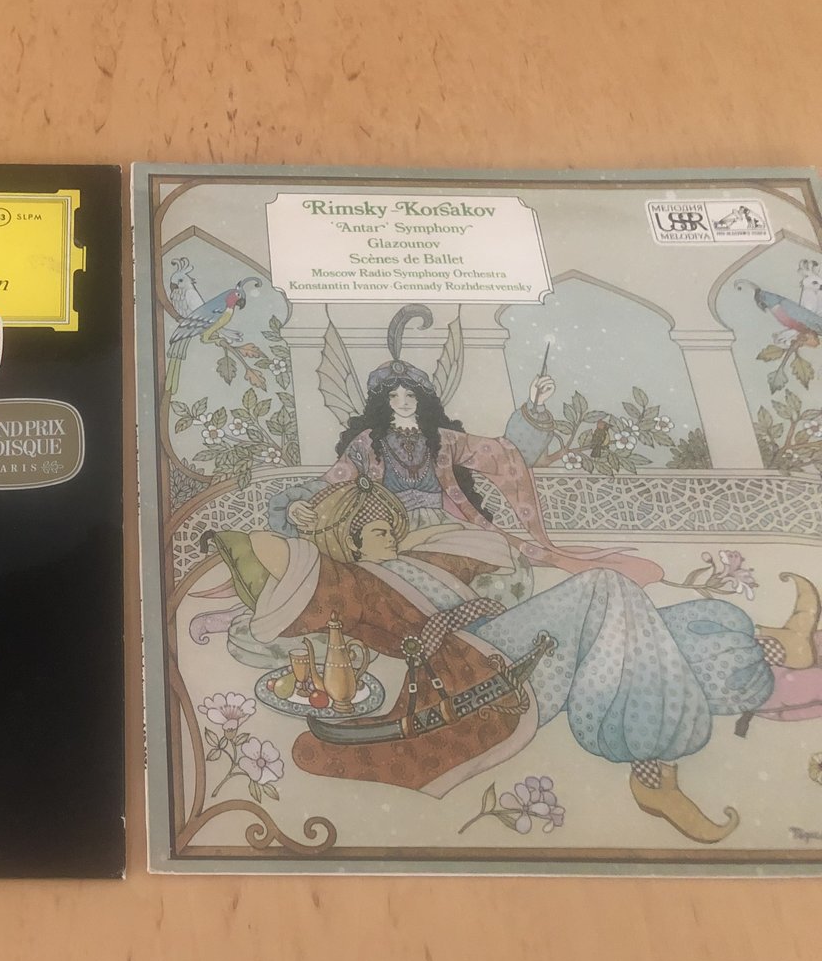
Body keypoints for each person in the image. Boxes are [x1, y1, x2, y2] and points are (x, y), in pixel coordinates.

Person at [214, 478, 788, 843]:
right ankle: (654, 770)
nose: (392, 537)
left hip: (498, 639)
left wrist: (410, 548)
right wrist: (312, 524)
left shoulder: (417, 558)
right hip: (472, 671)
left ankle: (764, 645)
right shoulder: (355, 586)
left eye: (392, 527)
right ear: (352, 541)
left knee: (628, 624)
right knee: (605, 591)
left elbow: (489, 550)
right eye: (380, 531)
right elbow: (264, 548)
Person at [267, 305, 663, 596]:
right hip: (386, 528)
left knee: (502, 560)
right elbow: (331, 481)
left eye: (410, 395)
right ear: (382, 402)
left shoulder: (444, 440)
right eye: (394, 396)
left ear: (422, 400)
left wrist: (534, 406)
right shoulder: (367, 443)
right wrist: (297, 505)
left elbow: (503, 454)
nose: (403, 402)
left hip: (445, 522)